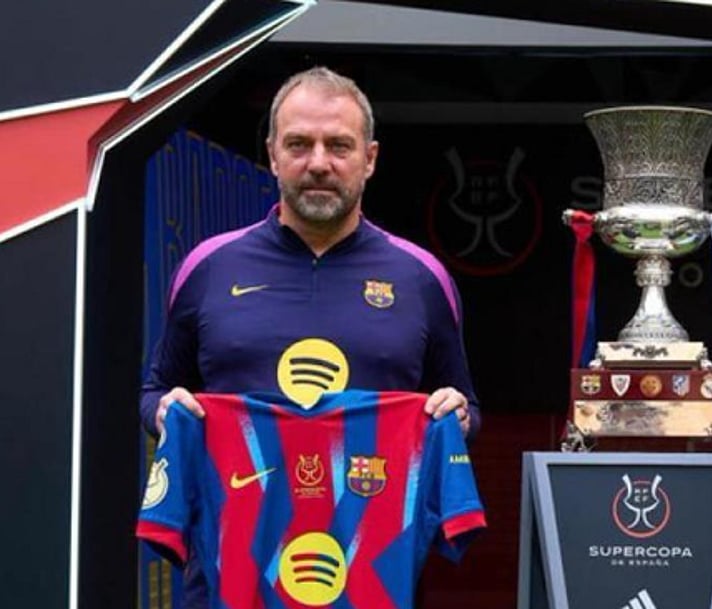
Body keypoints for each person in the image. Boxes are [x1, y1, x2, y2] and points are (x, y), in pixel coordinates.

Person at [140, 66, 480, 608]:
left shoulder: (422, 278)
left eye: (338, 146)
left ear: (370, 158)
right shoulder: (208, 268)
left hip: (369, 587)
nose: (318, 163)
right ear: (273, 155)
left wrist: (456, 416)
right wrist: (165, 411)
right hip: (230, 587)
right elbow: (156, 390)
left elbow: (466, 408)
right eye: (298, 144)